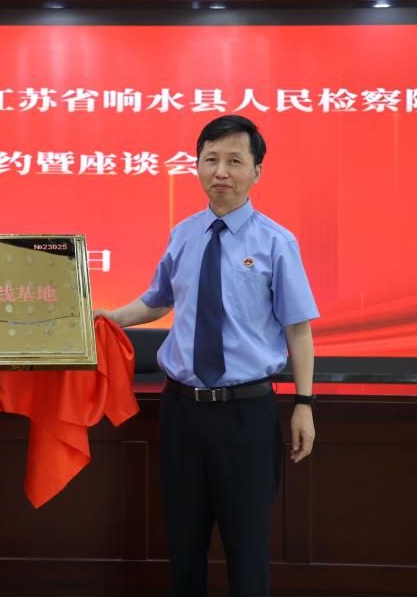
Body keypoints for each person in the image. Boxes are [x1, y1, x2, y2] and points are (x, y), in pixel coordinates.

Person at [95, 115, 317, 597]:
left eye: (234, 161)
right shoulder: (184, 234)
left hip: (245, 413)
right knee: (184, 545)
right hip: (182, 410)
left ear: (256, 170)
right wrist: (108, 317)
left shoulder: (276, 242)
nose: (221, 171)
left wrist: (304, 404)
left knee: (247, 546)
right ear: (196, 166)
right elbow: (156, 301)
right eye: (210, 159)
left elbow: (298, 329)